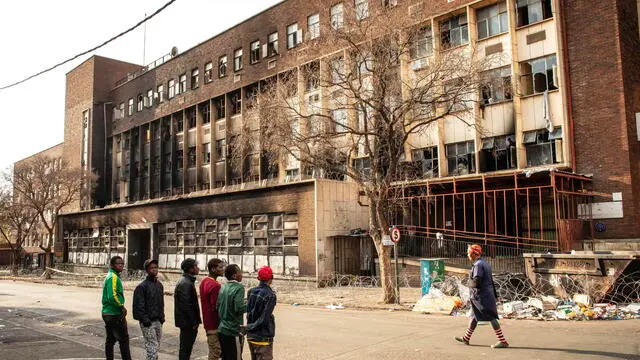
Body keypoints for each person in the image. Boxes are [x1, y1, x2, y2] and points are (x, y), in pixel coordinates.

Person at [455, 244, 509, 349]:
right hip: (485, 294)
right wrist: (495, 295)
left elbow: (476, 282)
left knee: (491, 316)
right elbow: (490, 281)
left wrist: (467, 284)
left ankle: (503, 341)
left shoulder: (478, 265)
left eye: (468, 252)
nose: (467, 254)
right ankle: (466, 338)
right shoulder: (485, 263)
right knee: (474, 316)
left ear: (473, 253)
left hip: (482, 295)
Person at [133, 259, 165, 360]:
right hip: (148, 322)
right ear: (147, 270)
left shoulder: (159, 285)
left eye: (156, 267)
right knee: (152, 346)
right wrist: (145, 320)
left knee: (156, 346)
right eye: (152, 268)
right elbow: (138, 306)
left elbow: (161, 303)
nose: (154, 270)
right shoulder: (142, 287)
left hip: (158, 321)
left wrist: (162, 317)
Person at [102, 255, 131, 360]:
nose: (121, 265)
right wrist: (121, 307)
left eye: (122, 263)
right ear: (112, 265)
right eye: (118, 263)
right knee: (124, 340)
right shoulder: (113, 277)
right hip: (114, 313)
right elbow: (112, 296)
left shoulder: (112, 276)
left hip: (108, 313)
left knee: (111, 339)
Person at [246, 266, 277, 360]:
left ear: (258, 278)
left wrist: (249, 327)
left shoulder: (251, 291)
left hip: (251, 336)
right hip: (263, 338)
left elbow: (249, 312)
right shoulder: (270, 295)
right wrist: (250, 326)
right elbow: (264, 319)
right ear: (271, 278)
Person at [218, 264, 247, 360]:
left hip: (222, 329)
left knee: (225, 357)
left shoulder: (223, 286)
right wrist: (250, 305)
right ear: (234, 275)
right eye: (240, 272)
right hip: (233, 330)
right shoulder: (239, 287)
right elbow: (238, 308)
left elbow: (218, 305)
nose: (242, 274)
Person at [175, 258, 202, 360]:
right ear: (191, 269)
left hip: (187, 323)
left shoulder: (187, 281)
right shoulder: (185, 283)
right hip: (188, 324)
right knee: (185, 350)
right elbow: (186, 306)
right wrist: (194, 322)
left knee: (186, 349)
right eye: (196, 266)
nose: (198, 268)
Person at [200, 258, 226, 360]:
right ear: (213, 269)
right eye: (220, 267)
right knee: (216, 351)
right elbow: (216, 307)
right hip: (214, 324)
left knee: (213, 350)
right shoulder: (215, 285)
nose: (223, 269)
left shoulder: (204, 282)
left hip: (207, 322)